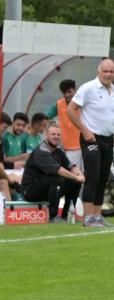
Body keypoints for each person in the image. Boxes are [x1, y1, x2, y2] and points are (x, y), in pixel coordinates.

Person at [67, 58, 114, 227]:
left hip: (109, 140)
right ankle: (87, 218)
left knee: (103, 178)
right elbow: (70, 110)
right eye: (105, 71)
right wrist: (84, 130)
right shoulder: (89, 88)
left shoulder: (113, 91)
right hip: (91, 138)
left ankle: (96, 216)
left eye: (111, 72)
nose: (108, 74)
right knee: (92, 176)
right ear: (98, 71)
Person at [21, 124, 84, 223]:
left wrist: (80, 175)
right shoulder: (41, 151)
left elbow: (71, 166)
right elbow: (59, 170)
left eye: (58, 135)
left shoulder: (58, 151)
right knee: (57, 179)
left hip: (47, 188)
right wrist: (76, 177)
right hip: (30, 190)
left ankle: (66, 215)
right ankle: (52, 217)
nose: (56, 137)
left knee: (74, 182)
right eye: (53, 134)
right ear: (46, 135)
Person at [47, 79, 83, 171]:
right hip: (69, 146)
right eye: (64, 92)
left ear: (75, 90)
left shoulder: (83, 102)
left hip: (84, 143)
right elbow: (46, 118)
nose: (67, 95)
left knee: (87, 172)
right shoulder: (59, 104)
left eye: (69, 91)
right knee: (74, 172)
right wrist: (52, 125)